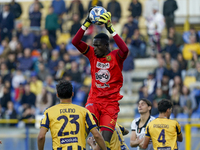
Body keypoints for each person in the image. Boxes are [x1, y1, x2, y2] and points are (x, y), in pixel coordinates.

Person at [72, 10, 129, 149]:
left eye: (98, 45)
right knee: (84, 130)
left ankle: (114, 129)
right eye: (94, 44)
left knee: (104, 144)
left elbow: (125, 49)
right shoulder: (92, 54)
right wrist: (86, 23)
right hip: (94, 100)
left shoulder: (116, 56)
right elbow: (75, 41)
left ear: (106, 46)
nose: (95, 48)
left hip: (110, 104)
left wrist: (110, 28)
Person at [37, 80, 107, 150]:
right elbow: (97, 135)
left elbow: (41, 136)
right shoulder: (83, 111)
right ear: (72, 94)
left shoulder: (49, 112)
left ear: (57, 95)